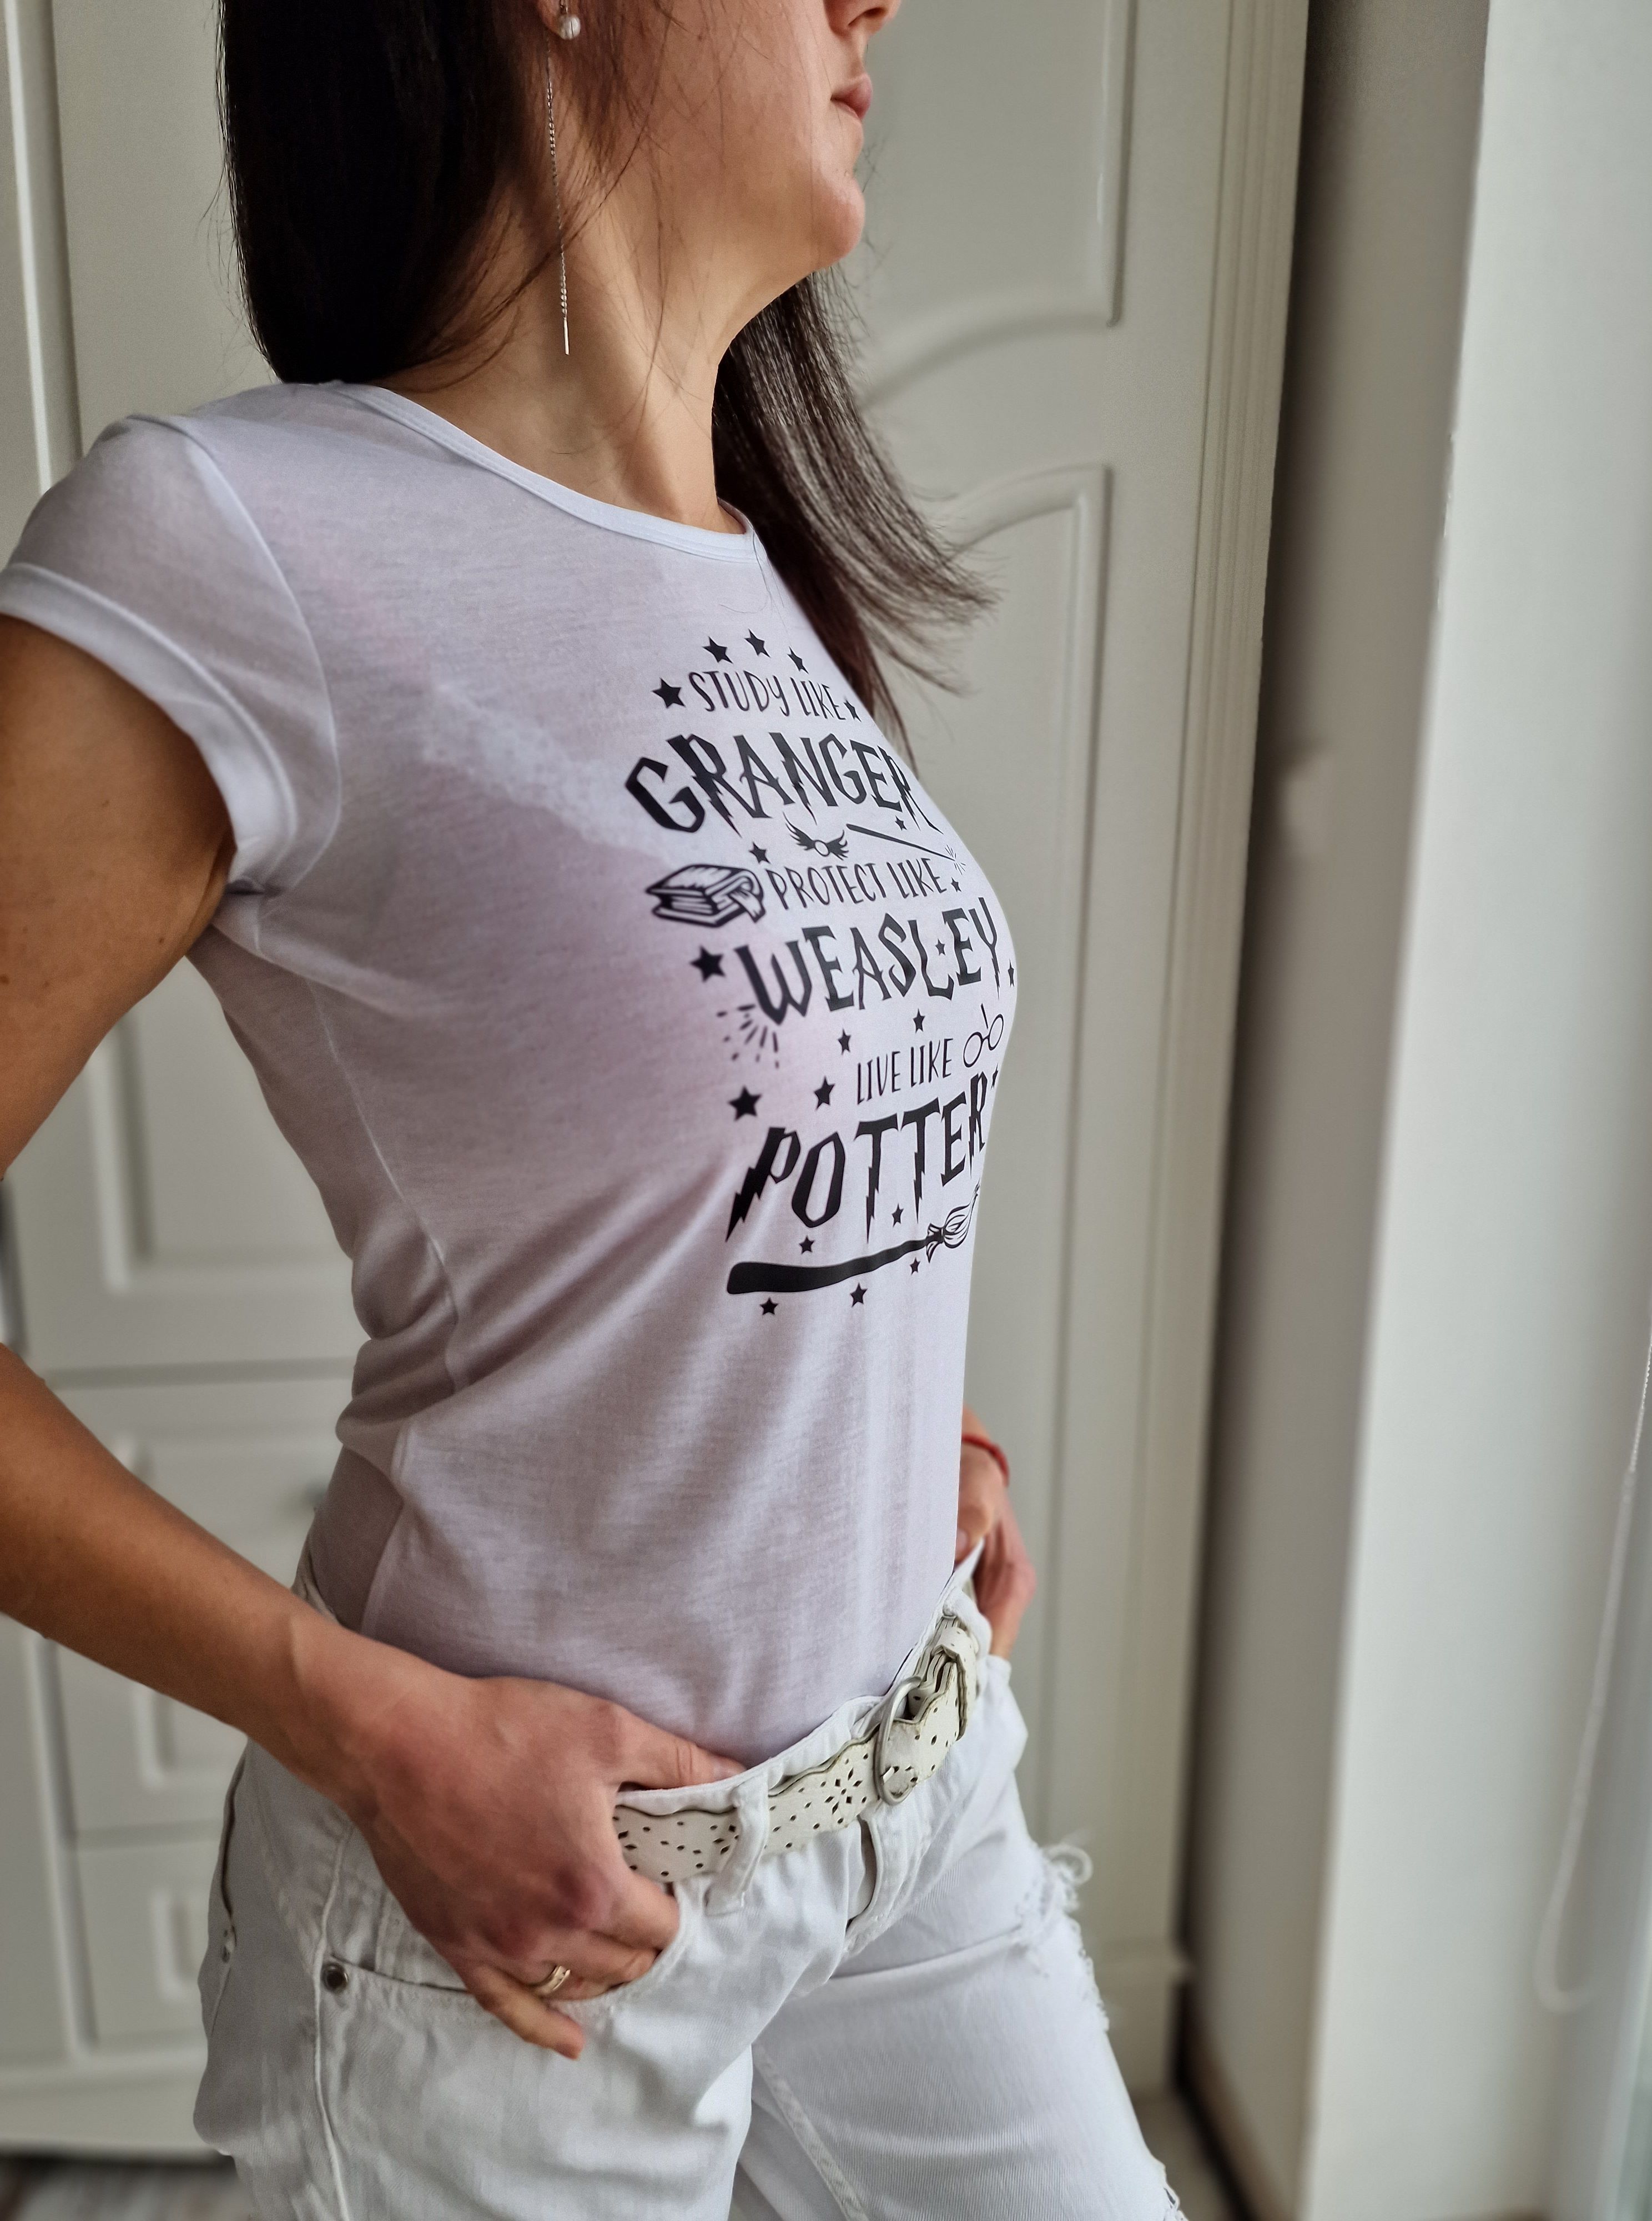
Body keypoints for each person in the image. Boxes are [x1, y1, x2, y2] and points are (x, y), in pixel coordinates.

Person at [0, 0, 1182, 2212]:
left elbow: (717, 1161)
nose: (873, 5)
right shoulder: (229, 540)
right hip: (524, 1910)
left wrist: (857, 1423)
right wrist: (367, 1725)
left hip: (911, 1790)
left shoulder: (756, 566)